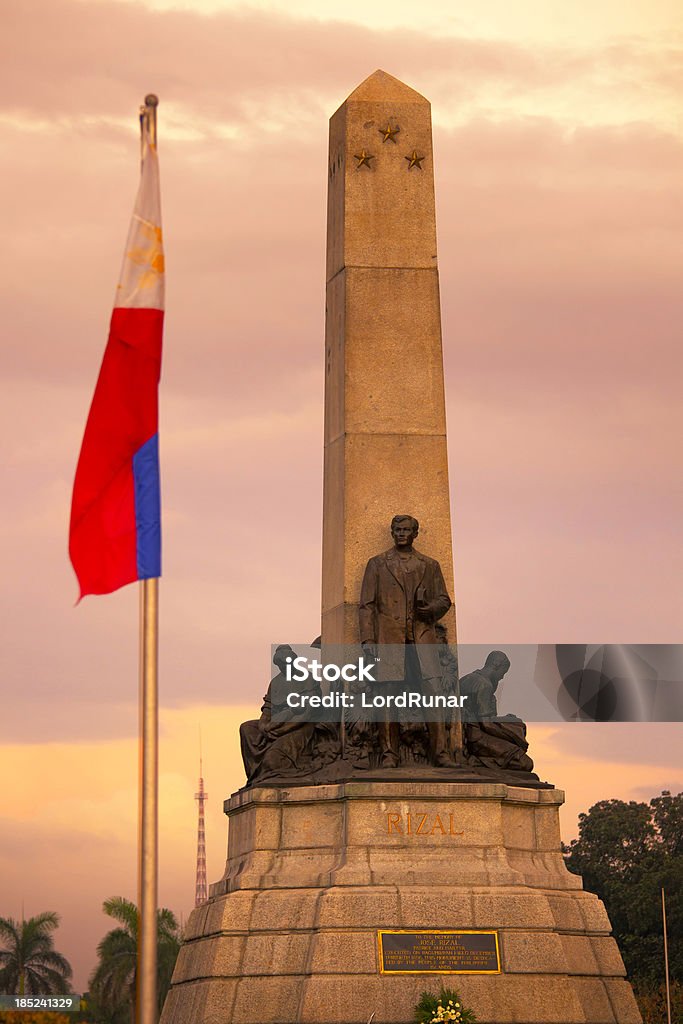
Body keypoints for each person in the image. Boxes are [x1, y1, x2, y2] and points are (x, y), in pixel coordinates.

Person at [359, 514, 454, 767]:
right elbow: (367, 606)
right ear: (392, 532)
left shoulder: (429, 565)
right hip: (389, 640)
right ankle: (390, 753)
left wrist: (430, 610)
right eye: (397, 529)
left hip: (421, 639)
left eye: (406, 530)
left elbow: (444, 599)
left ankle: (440, 752)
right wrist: (368, 640)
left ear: (415, 534)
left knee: (433, 694)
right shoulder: (377, 564)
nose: (401, 533)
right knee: (387, 694)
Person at [459, 651, 534, 772]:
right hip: (476, 738)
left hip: (468, 735)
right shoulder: (484, 685)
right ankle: (475, 761)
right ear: (496, 665)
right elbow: (486, 724)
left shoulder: (466, 679)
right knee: (526, 763)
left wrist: (506, 720)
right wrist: (514, 734)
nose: (502, 677)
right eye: (502, 672)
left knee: (514, 723)